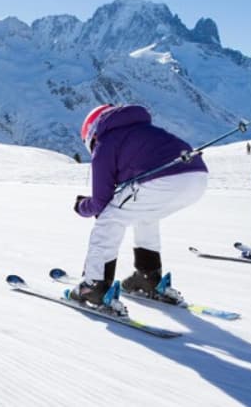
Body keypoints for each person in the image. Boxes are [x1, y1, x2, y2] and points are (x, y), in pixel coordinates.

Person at [69, 104, 209, 307]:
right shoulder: (140, 131)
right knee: (145, 215)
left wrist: (82, 206)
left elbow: (101, 203)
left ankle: (94, 286)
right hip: (197, 177)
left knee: (110, 219)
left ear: (91, 133)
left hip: (163, 179)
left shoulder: (106, 141)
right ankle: (147, 277)